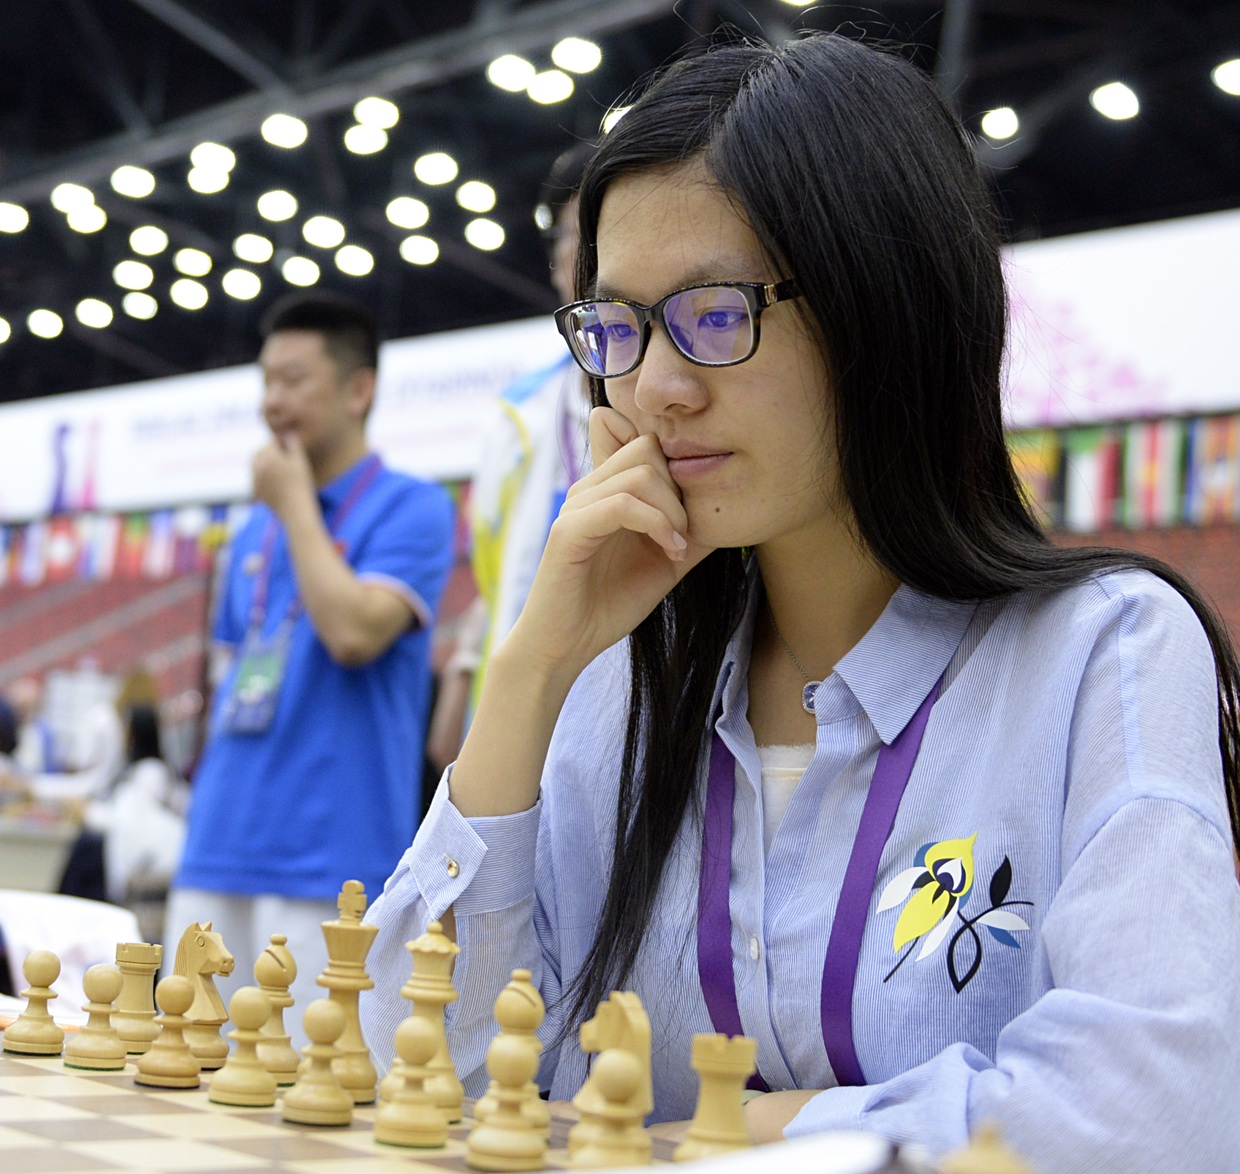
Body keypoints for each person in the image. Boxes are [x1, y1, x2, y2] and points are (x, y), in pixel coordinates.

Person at [359, 34, 1240, 1172]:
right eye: (618, 327)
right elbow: (417, 1076)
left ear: (887, 305)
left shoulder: (1103, 655)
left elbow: (1163, 1109)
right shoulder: (619, 681)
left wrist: (768, 1129)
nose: (657, 387)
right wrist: (531, 667)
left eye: (716, 314)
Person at [168, 292, 454, 1037]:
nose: (273, 402)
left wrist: (295, 504)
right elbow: (242, 670)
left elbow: (354, 634)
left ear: (359, 389)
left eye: (294, 379)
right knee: (184, 1071)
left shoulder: (412, 508)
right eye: (266, 381)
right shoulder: (252, 530)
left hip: (333, 853)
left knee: (305, 1100)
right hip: (219, 838)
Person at [426, 142, 595, 773]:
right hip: (517, 729)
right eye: (574, 237)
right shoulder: (517, 416)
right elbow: (498, 586)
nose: (586, 256)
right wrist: (462, 682)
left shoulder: (685, 401)